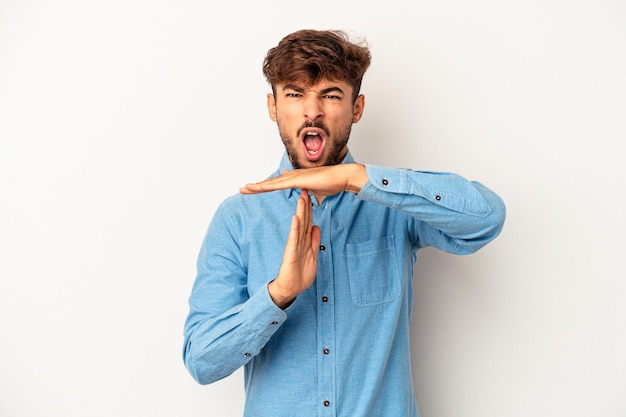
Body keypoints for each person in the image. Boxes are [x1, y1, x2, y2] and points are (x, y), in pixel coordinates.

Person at [183, 29, 506, 417]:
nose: (312, 110)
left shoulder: (394, 205)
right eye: (295, 93)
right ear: (273, 107)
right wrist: (279, 294)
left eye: (331, 94)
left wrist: (358, 179)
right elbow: (202, 361)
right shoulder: (237, 218)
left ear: (356, 107)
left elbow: (486, 218)